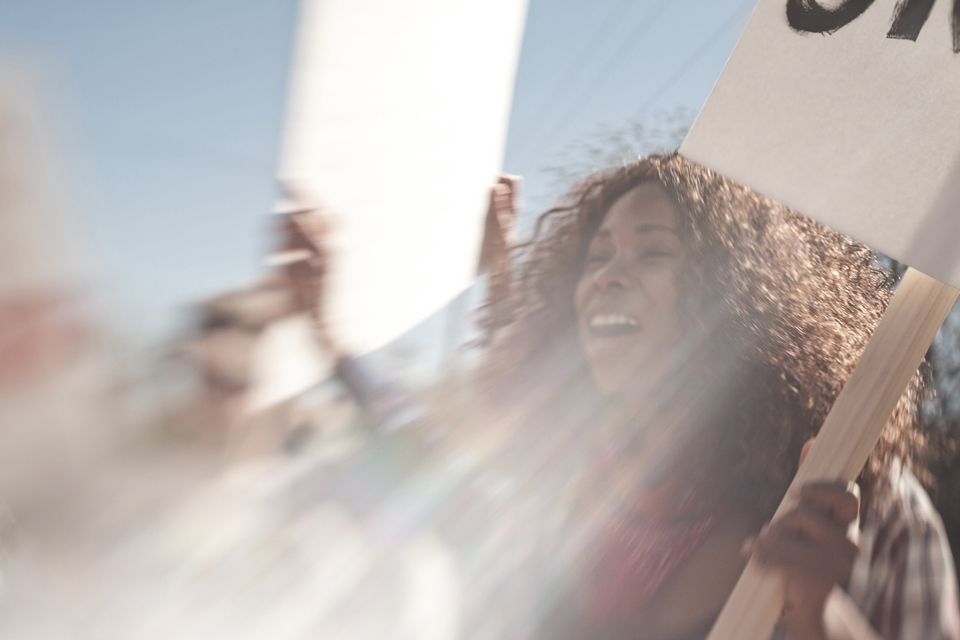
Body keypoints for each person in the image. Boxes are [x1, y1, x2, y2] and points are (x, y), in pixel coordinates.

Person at [284, 154, 960, 640]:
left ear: (733, 300)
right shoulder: (551, 491)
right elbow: (421, 454)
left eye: (653, 252)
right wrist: (326, 334)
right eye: (597, 255)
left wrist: (820, 618)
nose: (607, 276)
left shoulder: (860, 502)